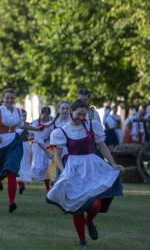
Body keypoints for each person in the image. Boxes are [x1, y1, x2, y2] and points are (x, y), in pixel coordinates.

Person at [47, 99, 124, 246]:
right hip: (73, 168)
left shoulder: (92, 125)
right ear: (71, 112)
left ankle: (89, 222)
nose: (82, 117)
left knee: (95, 204)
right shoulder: (62, 131)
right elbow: (57, 155)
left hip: (92, 167)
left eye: (84, 114)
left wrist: (113, 164)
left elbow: (102, 146)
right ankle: (82, 240)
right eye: (79, 114)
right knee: (77, 206)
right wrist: (63, 173)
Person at [0, 88, 44, 213]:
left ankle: (11, 202)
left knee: (11, 170)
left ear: (14, 99)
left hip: (14, 143)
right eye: (7, 98)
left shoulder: (17, 111)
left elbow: (22, 125)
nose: (10, 100)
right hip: (0, 143)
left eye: (12, 98)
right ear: (3, 99)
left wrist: (36, 129)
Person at [31, 106, 54, 192]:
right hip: (38, 146)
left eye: (47, 114)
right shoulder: (36, 123)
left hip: (49, 144)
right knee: (39, 166)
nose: (45, 116)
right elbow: (33, 134)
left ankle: (50, 186)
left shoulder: (52, 122)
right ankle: (47, 187)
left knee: (49, 166)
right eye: (43, 114)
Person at [16, 109, 32, 194]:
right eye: (22, 115)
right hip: (17, 146)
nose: (24, 117)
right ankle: (20, 183)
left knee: (25, 163)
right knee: (18, 164)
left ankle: (22, 182)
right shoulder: (15, 126)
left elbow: (32, 135)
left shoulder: (28, 125)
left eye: (25, 115)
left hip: (25, 145)